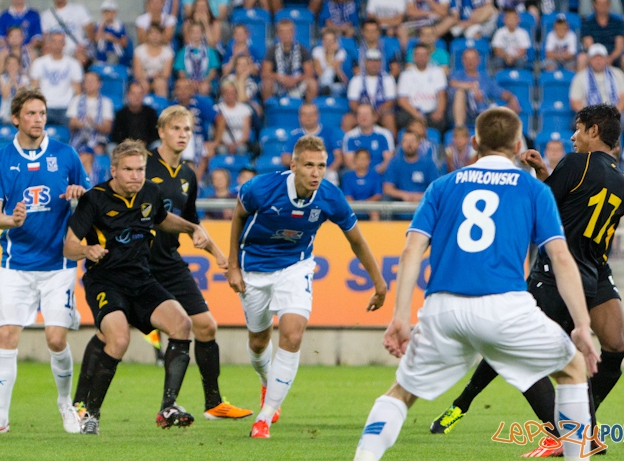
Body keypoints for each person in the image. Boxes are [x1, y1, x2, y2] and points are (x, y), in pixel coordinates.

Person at [429, 105, 624, 457]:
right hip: (593, 275)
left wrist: (538, 176)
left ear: (594, 131)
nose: (572, 136)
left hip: (558, 274)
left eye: (578, 129)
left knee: (516, 352)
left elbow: (544, 205)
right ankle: (577, 429)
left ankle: (570, 431)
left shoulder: (574, 164)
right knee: (614, 349)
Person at [355, 107, 597, 461]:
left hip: (443, 309)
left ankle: (363, 457)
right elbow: (561, 259)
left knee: (401, 392)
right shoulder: (533, 189)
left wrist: (400, 317)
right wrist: (582, 325)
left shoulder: (441, 186)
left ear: (474, 143)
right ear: (518, 146)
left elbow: (411, 252)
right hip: (505, 307)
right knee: (573, 369)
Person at [227, 135, 387, 439]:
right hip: (254, 270)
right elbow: (238, 218)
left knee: (293, 334)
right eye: (309, 165)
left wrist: (379, 283)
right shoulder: (260, 188)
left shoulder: (330, 196)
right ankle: (266, 383)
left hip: (295, 266)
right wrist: (233, 266)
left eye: (322, 166)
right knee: (259, 342)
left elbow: (356, 240)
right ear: (294, 165)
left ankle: (264, 417)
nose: (316, 172)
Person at [65, 139, 213, 434]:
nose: (136, 175)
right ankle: (90, 413)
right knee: (119, 340)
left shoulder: (151, 192)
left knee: (182, 325)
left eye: (140, 169)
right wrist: (86, 251)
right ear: (114, 171)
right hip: (105, 279)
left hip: (142, 279)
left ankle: (168, 406)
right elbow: (68, 245)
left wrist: (192, 227)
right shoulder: (94, 199)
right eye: (129, 169)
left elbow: (162, 219)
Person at [0, 88, 90, 435]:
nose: (38, 119)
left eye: (41, 114)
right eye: (31, 114)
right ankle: (0, 419)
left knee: (55, 339)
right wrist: (12, 220)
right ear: (15, 119)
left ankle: (66, 405)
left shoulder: (66, 155)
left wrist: (77, 196)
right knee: (7, 335)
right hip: (17, 264)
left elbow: (89, 203)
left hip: (58, 265)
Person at [145, 107, 252, 418]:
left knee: (206, 326)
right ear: (161, 131)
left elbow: (192, 223)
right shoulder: (142, 166)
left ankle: (214, 403)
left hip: (168, 261)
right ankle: (84, 407)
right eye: (176, 128)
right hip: (137, 262)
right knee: (113, 335)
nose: (182, 134)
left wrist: (219, 255)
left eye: (187, 130)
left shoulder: (189, 175)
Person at [0, 0, 43, 99]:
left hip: (27, 47)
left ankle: (32, 90)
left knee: (34, 56)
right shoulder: (3, 15)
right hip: (7, 46)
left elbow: (37, 37)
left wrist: (26, 47)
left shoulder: (33, 14)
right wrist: (11, 47)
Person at [450, 48, 519, 127]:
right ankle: (459, 128)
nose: (470, 62)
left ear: (478, 60)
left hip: (482, 113)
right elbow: (452, 84)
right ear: (463, 61)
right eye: (467, 59)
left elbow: (501, 93)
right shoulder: (457, 75)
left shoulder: (485, 78)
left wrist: (512, 98)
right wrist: (470, 87)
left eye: (473, 58)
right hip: (464, 113)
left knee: (509, 109)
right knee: (460, 92)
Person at [29, 30, 84, 127]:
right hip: (45, 108)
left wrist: (75, 112)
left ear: (64, 44)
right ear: (49, 43)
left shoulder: (73, 64)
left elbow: (78, 92)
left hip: (66, 108)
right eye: (54, 41)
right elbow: (34, 89)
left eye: (60, 42)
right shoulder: (39, 63)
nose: (57, 45)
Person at [281, 102, 343, 184]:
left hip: (326, 172)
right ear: (300, 117)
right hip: (303, 173)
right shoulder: (295, 135)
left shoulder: (329, 133)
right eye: (305, 114)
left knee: (332, 176)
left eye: (311, 114)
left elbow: (339, 157)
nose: (308, 117)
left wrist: (327, 170)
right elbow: (285, 158)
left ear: (317, 116)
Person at [569, 44, 624, 129]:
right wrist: (591, 115)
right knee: (576, 124)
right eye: (595, 58)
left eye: (601, 58)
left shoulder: (617, 73)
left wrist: (614, 112)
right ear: (590, 60)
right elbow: (575, 102)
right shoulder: (580, 77)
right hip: (589, 113)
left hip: (613, 111)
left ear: (606, 59)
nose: (598, 61)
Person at [260, 20, 318, 102]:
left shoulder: (302, 49)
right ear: (277, 34)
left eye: (288, 31)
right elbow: (265, 73)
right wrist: (280, 78)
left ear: (293, 32)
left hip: (297, 82)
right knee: (267, 84)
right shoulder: (272, 50)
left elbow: (309, 73)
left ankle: (308, 111)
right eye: (282, 32)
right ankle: (269, 112)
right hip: (279, 82)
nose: (285, 35)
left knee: (312, 84)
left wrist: (296, 79)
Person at [396, 43, 448, 133]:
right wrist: (417, 115)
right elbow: (402, 100)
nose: (421, 57)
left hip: (431, 113)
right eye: (418, 54)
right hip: (412, 112)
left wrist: (439, 111)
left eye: (424, 54)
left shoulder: (438, 72)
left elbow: (442, 95)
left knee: (441, 121)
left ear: (429, 56)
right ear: (414, 57)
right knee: (401, 118)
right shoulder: (406, 74)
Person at [580, 0, 624, 78]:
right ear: (594, 5)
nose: (602, 6)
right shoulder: (587, 23)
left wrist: (610, 58)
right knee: (582, 58)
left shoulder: (618, 23)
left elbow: (619, 47)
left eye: (605, 3)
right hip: (595, 55)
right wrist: (600, 59)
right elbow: (590, 46)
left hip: (613, 57)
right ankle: (581, 88)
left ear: (609, 5)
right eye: (600, 3)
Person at [40, 0, 93, 65]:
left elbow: (90, 29)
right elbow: (45, 36)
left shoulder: (79, 9)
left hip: (75, 50)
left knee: (81, 59)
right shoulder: (46, 15)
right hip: (56, 51)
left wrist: (85, 45)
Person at [346, 49, 397, 133]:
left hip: (381, 113)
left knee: (389, 119)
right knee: (348, 120)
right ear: (365, 63)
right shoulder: (356, 79)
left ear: (380, 63)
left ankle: (391, 144)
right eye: (370, 61)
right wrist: (363, 114)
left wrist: (376, 113)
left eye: (376, 61)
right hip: (361, 113)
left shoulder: (388, 79)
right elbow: (353, 103)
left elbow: (390, 101)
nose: (374, 64)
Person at [382, 130, 440, 203]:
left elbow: (436, 188)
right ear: (401, 144)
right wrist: (404, 195)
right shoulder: (394, 162)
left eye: (412, 141)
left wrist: (419, 197)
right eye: (405, 141)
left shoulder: (429, 163)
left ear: (419, 143)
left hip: (424, 204)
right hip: (400, 205)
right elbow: (387, 189)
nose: (409, 144)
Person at [66, 71, 114, 152]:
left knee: (99, 150)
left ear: (99, 84)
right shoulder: (76, 100)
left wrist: (93, 124)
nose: (89, 84)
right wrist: (82, 124)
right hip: (79, 139)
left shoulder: (106, 102)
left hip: (98, 140)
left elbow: (107, 128)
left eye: (92, 81)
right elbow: (72, 123)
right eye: (87, 81)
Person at [343, 103, 396, 174]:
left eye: (367, 114)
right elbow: (349, 162)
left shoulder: (385, 134)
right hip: (357, 174)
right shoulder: (349, 136)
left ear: (374, 117)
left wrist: (373, 174)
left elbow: (388, 160)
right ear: (356, 118)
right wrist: (364, 175)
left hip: (380, 173)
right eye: (360, 114)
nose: (363, 117)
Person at [173, 21, 219, 96]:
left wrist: (203, 81)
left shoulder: (210, 51)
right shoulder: (182, 52)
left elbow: (212, 72)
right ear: (189, 34)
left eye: (198, 32)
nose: (195, 35)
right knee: (184, 87)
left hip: (205, 82)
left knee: (204, 87)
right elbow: (181, 72)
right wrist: (190, 82)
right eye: (193, 32)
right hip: (188, 81)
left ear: (202, 34)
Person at [111, 82, 159, 147]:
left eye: (140, 94)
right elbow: (116, 136)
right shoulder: (121, 114)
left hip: (146, 147)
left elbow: (155, 134)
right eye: (133, 94)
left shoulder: (151, 113)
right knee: (111, 147)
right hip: (125, 148)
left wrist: (145, 142)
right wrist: (127, 143)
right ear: (128, 95)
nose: (137, 97)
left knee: (158, 144)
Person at [212, 80, 254, 155]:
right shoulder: (217, 109)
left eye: (232, 92)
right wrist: (225, 144)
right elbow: (215, 131)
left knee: (241, 149)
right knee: (222, 150)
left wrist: (236, 144)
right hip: (222, 144)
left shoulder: (245, 109)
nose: (229, 95)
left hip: (240, 144)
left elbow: (246, 134)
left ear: (236, 93)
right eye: (227, 92)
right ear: (223, 93)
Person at [133, 23, 174, 98]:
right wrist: (148, 77)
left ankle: (162, 108)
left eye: (157, 33)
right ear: (147, 35)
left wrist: (157, 76)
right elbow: (138, 74)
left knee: (160, 84)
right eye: (152, 33)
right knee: (143, 85)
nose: (155, 36)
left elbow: (166, 74)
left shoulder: (168, 52)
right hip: (143, 79)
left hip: (160, 79)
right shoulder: (139, 51)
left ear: (162, 36)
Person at [342, 147, 383, 221]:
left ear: (369, 160)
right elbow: (347, 196)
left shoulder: (375, 175)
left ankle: (375, 232)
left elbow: (378, 195)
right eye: (359, 158)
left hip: (370, 205)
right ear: (355, 160)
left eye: (365, 159)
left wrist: (365, 204)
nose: (362, 161)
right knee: (345, 212)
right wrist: (357, 205)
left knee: (374, 213)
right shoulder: (347, 176)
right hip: (352, 205)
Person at [93, 0, 131, 66]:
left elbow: (124, 43)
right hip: (101, 54)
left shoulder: (119, 26)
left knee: (112, 59)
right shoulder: (99, 25)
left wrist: (112, 39)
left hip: (116, 54)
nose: (108, 14)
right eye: (106, 12)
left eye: (110, 12)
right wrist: (103, 23)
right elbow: (97, 39)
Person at [312, 30, 349, 97]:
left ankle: (327, 91)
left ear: (335, 42)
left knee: (336, 88)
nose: (328, 43)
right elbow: (318, 71)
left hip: (335, 80)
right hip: (320, 80)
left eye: (331, 40)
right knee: (328, 73)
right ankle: (326, 88)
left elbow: (333, 68)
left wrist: (331, 53)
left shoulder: (341, 52)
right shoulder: (317, 50)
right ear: (322, 41)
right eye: (326, 40)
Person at [0, 55, 30, 124]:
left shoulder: (24, 79)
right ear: (5, 66)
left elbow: (22, 95)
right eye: (9, 64)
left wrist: (14, 82)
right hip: (5, 112)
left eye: (14, 64)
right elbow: (5, 95)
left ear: (18, 66)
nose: (12, 66)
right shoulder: (2, 78)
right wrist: (10, 80)